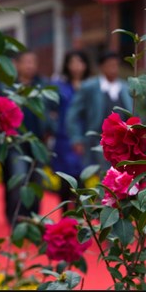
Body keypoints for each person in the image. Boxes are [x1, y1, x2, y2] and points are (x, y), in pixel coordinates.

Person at [0, 50, 49, 227]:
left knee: (36, 182)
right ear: (17, 64)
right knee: (18, 180)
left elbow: (50, 113)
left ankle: (33, 219)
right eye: (26, 62)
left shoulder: (42, 87)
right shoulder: (6, 88)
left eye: (33, 62)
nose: (30, 66)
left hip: (38, 143)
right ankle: (17, 220)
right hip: (15, 144)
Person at [66, 51, 133, 172]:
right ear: (102, 67)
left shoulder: (125, 88)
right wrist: (77, 138)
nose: (113, 68)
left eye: (115, 65)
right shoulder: (90, 87)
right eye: (110, 65)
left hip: (123, 143)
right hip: (97, 141)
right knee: (100, 175)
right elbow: (73, 114)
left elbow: (134, 113)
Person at [49, 50, 91, 211]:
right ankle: (65, 218)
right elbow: (51, 110)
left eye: (80, 62)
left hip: (85, 139)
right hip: (63, 140)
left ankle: (82, 218)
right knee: (64, 181)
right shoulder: (60, 87)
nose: (76, 66)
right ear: (67, 65)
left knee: (83, 180)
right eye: (72, 62)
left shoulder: (90, 87)